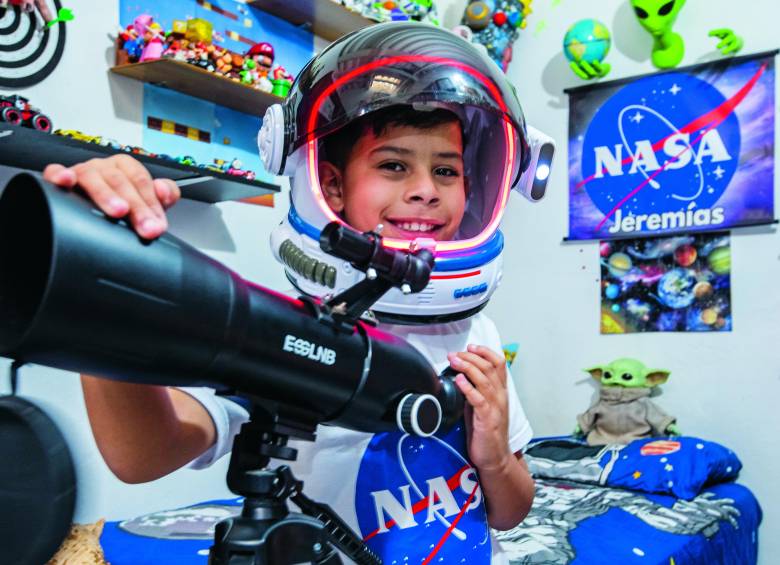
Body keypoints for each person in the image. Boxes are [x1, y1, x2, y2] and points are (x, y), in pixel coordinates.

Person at [43, 23, 539, 563]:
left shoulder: (475, 336)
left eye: (446, 170)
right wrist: (98, 285)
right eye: (394, 165)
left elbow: (510, 511)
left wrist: (496, 459)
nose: (425, 189)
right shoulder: (294, 335)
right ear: (332, 187)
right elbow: (143, 453)